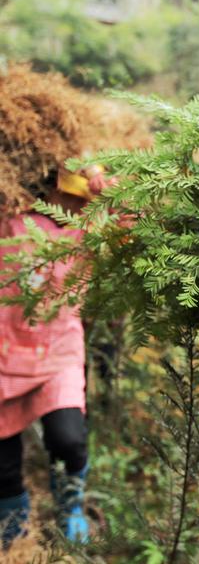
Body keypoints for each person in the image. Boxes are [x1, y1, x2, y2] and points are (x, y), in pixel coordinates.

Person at [0, 167, 106, 547]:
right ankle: (13, 533)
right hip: (4, 351)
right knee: (3, 462)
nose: (79, 206)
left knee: (68, 439)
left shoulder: (90, 229)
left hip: (59, 351)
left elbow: (138, 221)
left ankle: (69, 504)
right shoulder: (12, 220)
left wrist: (105, 187)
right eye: (74, 197)